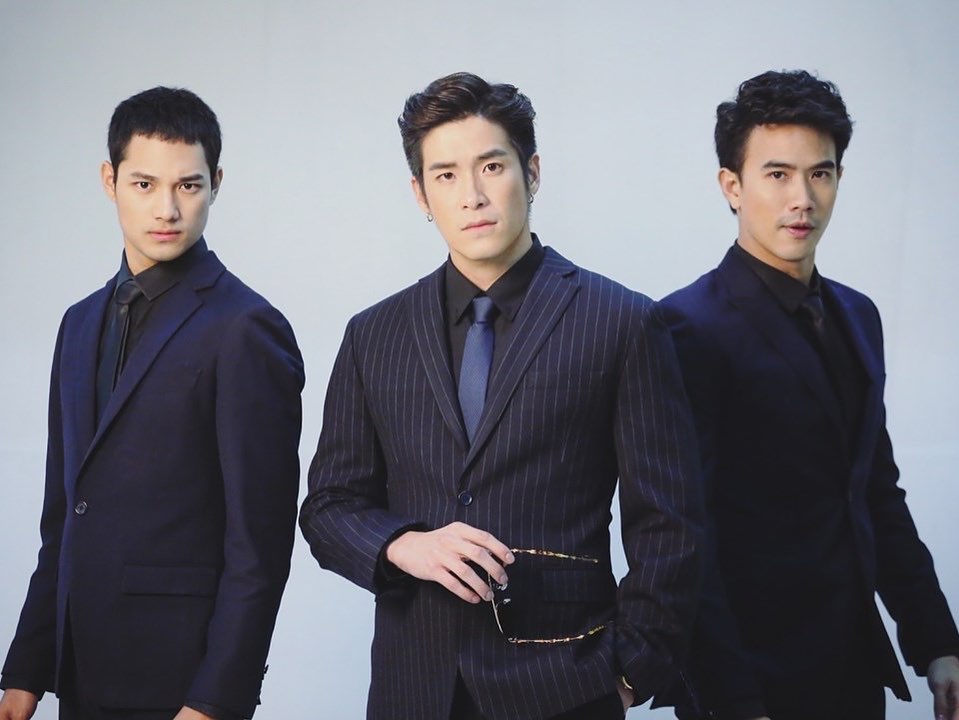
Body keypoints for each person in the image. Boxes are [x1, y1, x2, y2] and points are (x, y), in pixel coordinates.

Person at [299, 71, 702, 720]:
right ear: (420, 193)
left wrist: (629, 672)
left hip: (565, 687)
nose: (473, 195)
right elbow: (328, 506)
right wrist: (404, 543)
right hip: (413, 691)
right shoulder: (374, 334)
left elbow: (670, 522)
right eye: (446, 175)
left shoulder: (622, 321)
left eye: (492, 166)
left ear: (531, 173)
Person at [656, 69, 959, 720]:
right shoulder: (687, 325)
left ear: (838, 179)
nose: (802, 198)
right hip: (748, 677)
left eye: (819, 174)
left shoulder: (857, 314)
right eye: (777, 174)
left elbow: (873, 490)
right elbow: (684, 534)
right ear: (731, 186)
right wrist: (733, 699)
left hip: (851, 667)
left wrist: (937, 643)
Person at [0, 87, 304, 720]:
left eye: (188, 186)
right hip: (78, 671)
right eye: (144, 184)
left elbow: (260, 545)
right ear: (109, 181)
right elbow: (64, 517)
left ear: (216, 184)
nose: (167, 209)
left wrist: (215, 700)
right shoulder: (78, 323)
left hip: (180, 682)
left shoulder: (246, 328)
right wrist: (24, 672)